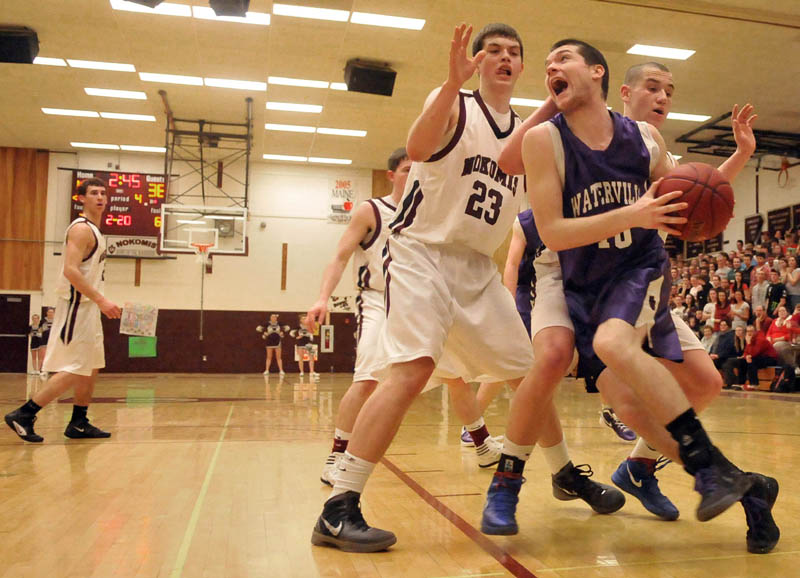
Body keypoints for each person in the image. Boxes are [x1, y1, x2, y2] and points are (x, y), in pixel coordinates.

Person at [508, 40, 775, 551]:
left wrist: (740, 155)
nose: (663, 97)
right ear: (620, 90)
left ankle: (639, 465)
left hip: (639, 281)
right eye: (652, 87)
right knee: (626, 389)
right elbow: (539, 232)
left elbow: (699, 196)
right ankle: (737, 485)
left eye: (669, 91)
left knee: (706, 381)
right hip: (581, 290)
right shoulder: (555, 141)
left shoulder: (649, 146)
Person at [311, 23, 554, 553]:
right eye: (494, 51)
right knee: (410, 369)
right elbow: (418, 147)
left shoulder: (528, 130)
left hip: (477, 267)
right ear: (476, 61)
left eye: (515, 52)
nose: (505, 59)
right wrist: (449, 82)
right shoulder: (455, 103)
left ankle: (563, 473)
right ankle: (339, 505)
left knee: (528, 373)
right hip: (422, 252)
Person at [5, 177, 121, 443]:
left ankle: (79, 422)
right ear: (81, 198)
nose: (100, 197)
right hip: (77, 306)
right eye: (94, 193)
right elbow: (70, 270)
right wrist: (101, 301)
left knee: (92, 365)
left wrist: (101, 299)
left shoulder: (96, 230)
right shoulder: (81, 229)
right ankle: (24, 413)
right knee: (76, 365)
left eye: (103, 193)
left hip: (89, 305)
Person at [37, 307, 55, 377]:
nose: (50, 313)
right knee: (43, 355)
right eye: (49, 312)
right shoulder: (42, 321)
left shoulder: (56, 320)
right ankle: (42, 370)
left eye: (52, 312)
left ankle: (52, 370)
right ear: (47, 313)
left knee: (53, 355)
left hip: (53, 341)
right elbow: (39, 330)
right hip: (44, 340)